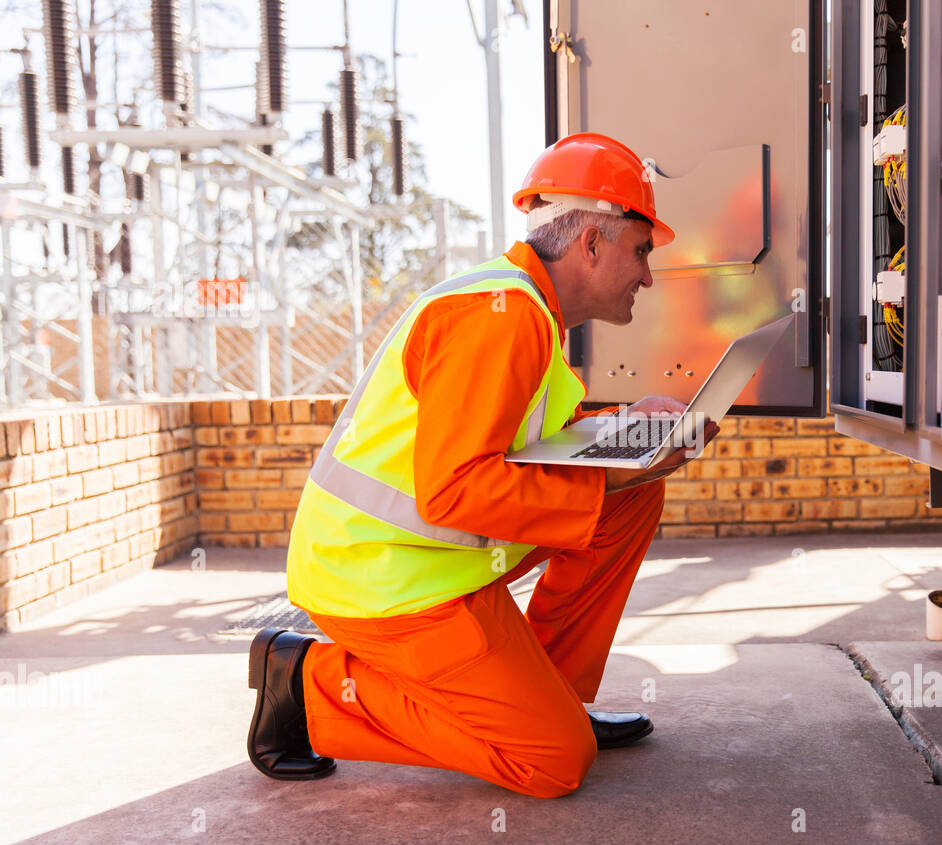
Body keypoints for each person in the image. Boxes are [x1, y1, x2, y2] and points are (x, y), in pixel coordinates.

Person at [246, 132, 720, 798]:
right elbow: (455, 488)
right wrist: (615, 471)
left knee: (630, 499)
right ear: (591, 244)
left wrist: (625, 429)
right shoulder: (498, 317)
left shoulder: (527, 312)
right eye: (641, 251)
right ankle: (308, 688)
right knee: (552, 762)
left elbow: (525, 442)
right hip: (381, 577)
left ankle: (553, 694)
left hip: (427, 560)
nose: (646, 274)